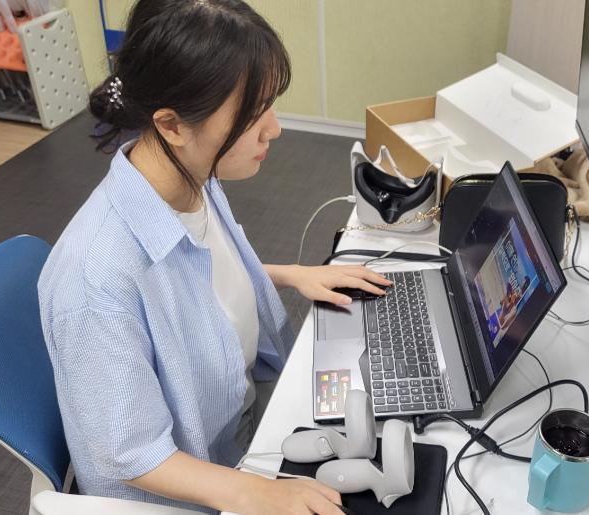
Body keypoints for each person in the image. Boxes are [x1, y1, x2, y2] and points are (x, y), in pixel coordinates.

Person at [37, 0, 390, 513]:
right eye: (252, 114)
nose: (274, 129)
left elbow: (188, 280)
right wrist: (262, 493)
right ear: (172, 124)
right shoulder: (93, 278)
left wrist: (291, 274)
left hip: (240, 426)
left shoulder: (190, 176)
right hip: (187, 489)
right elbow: (132, 454)